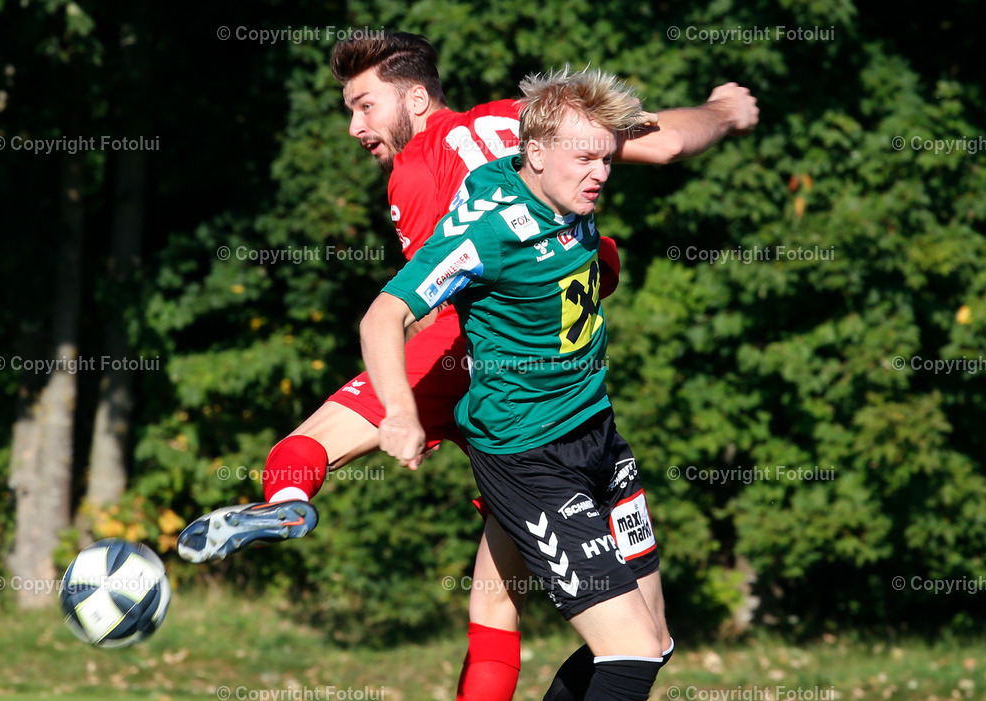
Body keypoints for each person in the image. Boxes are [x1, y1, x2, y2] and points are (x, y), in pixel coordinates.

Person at [177, 32, 758, 701]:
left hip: (470, 358)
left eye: (365, 106)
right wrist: (724, 110)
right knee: (511, 610)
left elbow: (431, 301)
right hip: (521, 398)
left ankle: (287, 499)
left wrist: (404, 410)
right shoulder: (522, 119)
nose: (355, 127)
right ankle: (297, 496)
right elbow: (668, 142)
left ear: (416, 98)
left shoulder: (423, 168)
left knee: (310, 446)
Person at [360, 65, 671, 700]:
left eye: (607, 158)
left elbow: (655, 141)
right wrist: (400, 412)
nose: (600, 174)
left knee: (655, 640)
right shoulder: (487, 230)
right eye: (585, 159)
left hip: (597, 436)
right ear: (535, 153)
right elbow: (383, 316)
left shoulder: (563, 187)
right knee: (630, 650)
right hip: (530, 458)